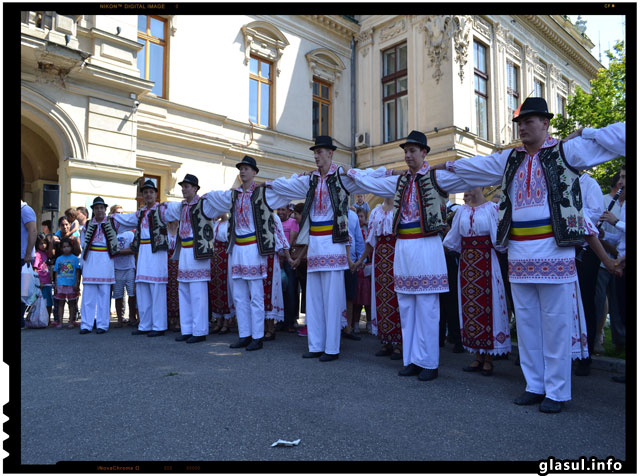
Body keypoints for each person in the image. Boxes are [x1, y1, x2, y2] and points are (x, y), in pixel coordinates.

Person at [436, 97, 625, 412]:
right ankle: (535, 385)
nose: (523, 126)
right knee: (526, 324)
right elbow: (473, 168)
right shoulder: (510, 159)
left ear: (546, 123)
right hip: (520, 255)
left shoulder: (566, 151)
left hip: (555, 254)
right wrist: (439, 167)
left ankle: (557, 392)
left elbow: (614, 141)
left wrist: (589, 131)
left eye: (530, 120)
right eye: (520, 122)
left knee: (556, 324)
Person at [348, 131, 470, 381]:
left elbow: (465, 172)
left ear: (424, 153)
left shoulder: (437, 177)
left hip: (426, 245)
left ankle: (429, 362)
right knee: (406, 304)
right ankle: (411, 358)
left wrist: (444, 164)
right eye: (406, 151)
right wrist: (390, 172)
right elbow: (371, 181)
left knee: (427, 306)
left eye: (413, 150)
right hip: (403, 245)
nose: (407, 155)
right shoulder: (401, 180)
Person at [267, 136, 379, 362]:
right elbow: (288, 184)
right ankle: (316, 344)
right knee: (314, 296)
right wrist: (267, 184)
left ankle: (331, 347)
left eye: (320, 152)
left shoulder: (342, 176)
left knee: (332, 296)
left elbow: (367, 179)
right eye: (315, 152)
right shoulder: (310, 179)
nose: (316, 156)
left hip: (334, 242)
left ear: (330, 153)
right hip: (316, 243)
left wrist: (383, 173)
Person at [197, 156, 291, 351]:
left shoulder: (262, 193)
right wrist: (202, 196)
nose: (243, 171)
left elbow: (283, 188)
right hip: (238, 248)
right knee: (239, 295)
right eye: (241, 168)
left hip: (254, 248)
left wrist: (272, 183)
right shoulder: (234, 195)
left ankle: (257, 336)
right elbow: (215, 196)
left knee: (256, 295)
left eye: (247, 168)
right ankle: (244, 334)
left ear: (255, 172)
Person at [442, 187, 511, 376]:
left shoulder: (491, 209)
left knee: (490, 306)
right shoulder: (461, 211)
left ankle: (489, 358)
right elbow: (452, 239)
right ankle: (477, 355)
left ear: (480, 187)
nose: (467, 190)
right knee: (470, 306)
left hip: (487, 261)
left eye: (471, 186)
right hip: (467, 264)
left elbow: (500, 240)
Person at [112, 180, 171, 337]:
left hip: (157, 250)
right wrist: (107, 217)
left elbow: (177, 212)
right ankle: (145, 324)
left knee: (157, 288)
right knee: (143, 287)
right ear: (142, 195)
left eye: (151, 192)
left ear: (156, 194)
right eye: (145, 192)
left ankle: (159, 326)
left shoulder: (163, 210)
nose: (148, 195)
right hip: (143, 251)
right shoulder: (140, 213)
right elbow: (124, 219)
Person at [162, 174, 216, 344]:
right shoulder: (182, 206)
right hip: (184, 250)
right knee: (183, 290)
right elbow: (166, 212)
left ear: (195, 188)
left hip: (198, 251)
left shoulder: (204, 204)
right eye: (183, 186)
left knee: (198, 292)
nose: (183, 189)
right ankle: (187, 329)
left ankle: (199, 330)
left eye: (187, 186)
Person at [353, 197, 402, 360]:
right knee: (382, 297)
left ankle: (400, 343)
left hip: (397, 254)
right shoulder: (375, 212)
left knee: (398, 297)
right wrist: (361, 260)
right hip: (380, 257)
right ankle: (386, 340)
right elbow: (370, 240)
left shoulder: (400, 208)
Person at [573, 171, 605, 376]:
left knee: (585, 301)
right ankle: (570, 350)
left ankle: (586, 355)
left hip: (586, 249)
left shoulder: (590, 184)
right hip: (565, 250)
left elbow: (595, 214)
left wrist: (571, 216)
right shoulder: (562, 181)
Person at [79, 196, 125, 334]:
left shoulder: (113, 222)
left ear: (105, 209)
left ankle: (102, 325)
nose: (99, 210)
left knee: (104, 294)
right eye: (96, 208)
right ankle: (86, 325)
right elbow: (83, 244)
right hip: (91, 259)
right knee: (88, 295)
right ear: (93, 210)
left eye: (101, 208)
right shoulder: (87, 225)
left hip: (105, 258)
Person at [593, 169, 625, 354]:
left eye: (624, 178)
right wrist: (603, 235)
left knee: (620, 303)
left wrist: (614, 222)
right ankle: (600, 338)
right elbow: (619, 237)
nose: (621, 182)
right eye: (620, 178)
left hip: (622, 259)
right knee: (601, 299)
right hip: (607, 260)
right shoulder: (607, 200)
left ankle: (621, 340)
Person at [109, 205, 138, 329]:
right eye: (117, 213)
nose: (120, 216)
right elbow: (109, 250)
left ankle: (132, 317)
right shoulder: (111, 233)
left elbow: (134, 249)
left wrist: (118, 251)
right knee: (118, 295)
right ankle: (120, 319)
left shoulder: (130, 233)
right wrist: (119, 251)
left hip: (130, 268)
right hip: (116, 269)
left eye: (122, 213)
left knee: (132, 294)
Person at [209, 214, 235, 335]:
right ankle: (218, 319)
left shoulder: (229, 223)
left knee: (226, 287)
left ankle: (227, 320)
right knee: (216, 286)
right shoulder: (216, 223)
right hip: (215, 257)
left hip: (225, 256)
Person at [277, 205, 300, 333]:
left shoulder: (293, 223)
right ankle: (280, 320)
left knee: (290, 290)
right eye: (279, 209)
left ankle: (290, 321)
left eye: (283, 209)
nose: (280, 212)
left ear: (288, 211)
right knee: (279, 292)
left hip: (289, 260)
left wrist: (283, 255)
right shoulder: (274, 222)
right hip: (276, 260)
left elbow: (291, 241)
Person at [344, 207, 364, 340]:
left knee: (350, 296)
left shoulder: (353, 215)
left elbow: (358, 238)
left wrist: (361, 259)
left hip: (351, 263)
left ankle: (348, 328)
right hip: (335, 261)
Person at [53, 238, 81, 328]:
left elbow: (77, 272)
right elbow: (56, 272)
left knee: (72, 304)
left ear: (71, 247)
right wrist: (56, 285)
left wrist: (77, 283)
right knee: (61, 303)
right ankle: (60, 322)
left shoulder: (75, 259)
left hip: (71, 284)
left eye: (68, 246)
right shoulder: (59, 259)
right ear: (61, 248)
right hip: (61, 284)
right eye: (64, 247)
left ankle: (70, 321)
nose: (66, 248)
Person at [290, 203, 308, 336]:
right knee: (305, 293)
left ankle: (309, 324)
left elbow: (306, 244)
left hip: (306, 263)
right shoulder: (299, 226)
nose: (294, 216)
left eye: (296, 213)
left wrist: (298, 258)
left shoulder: (306, 227)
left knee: (308, 294)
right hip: (301, 264)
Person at [353, 208, 372, 334]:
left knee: (368, 298)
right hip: (356, 266)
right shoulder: (354, 231)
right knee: (356, 299)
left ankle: (370, 323)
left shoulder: (368, 231)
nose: (360, 218)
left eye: (362, 216)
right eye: (358, 216)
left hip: (367, 266)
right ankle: (355, 324)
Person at [21, 199, 37, 328]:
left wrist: (27, 254)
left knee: (24, 291)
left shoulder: (25, 210)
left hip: (23, 258)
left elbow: (32, 231)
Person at [33, 233, 54, 325]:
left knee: (49, 302)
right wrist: (39, 281)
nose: (43, 245)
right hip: (42, 283)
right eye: (41, 243)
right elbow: (35, 269)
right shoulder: (37, 254)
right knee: (42, 302)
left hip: (48, 282)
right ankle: (41, 319)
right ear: (37, 244)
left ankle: (48, 319)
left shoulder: (46, 253)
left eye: (45, 243)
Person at [166, 220, 180, 332]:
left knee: (178, 290)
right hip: (167, 263)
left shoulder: (181, 228)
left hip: (179, 262)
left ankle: (179, 319)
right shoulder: (164, 229)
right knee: (168, 290)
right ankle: (170, 318)